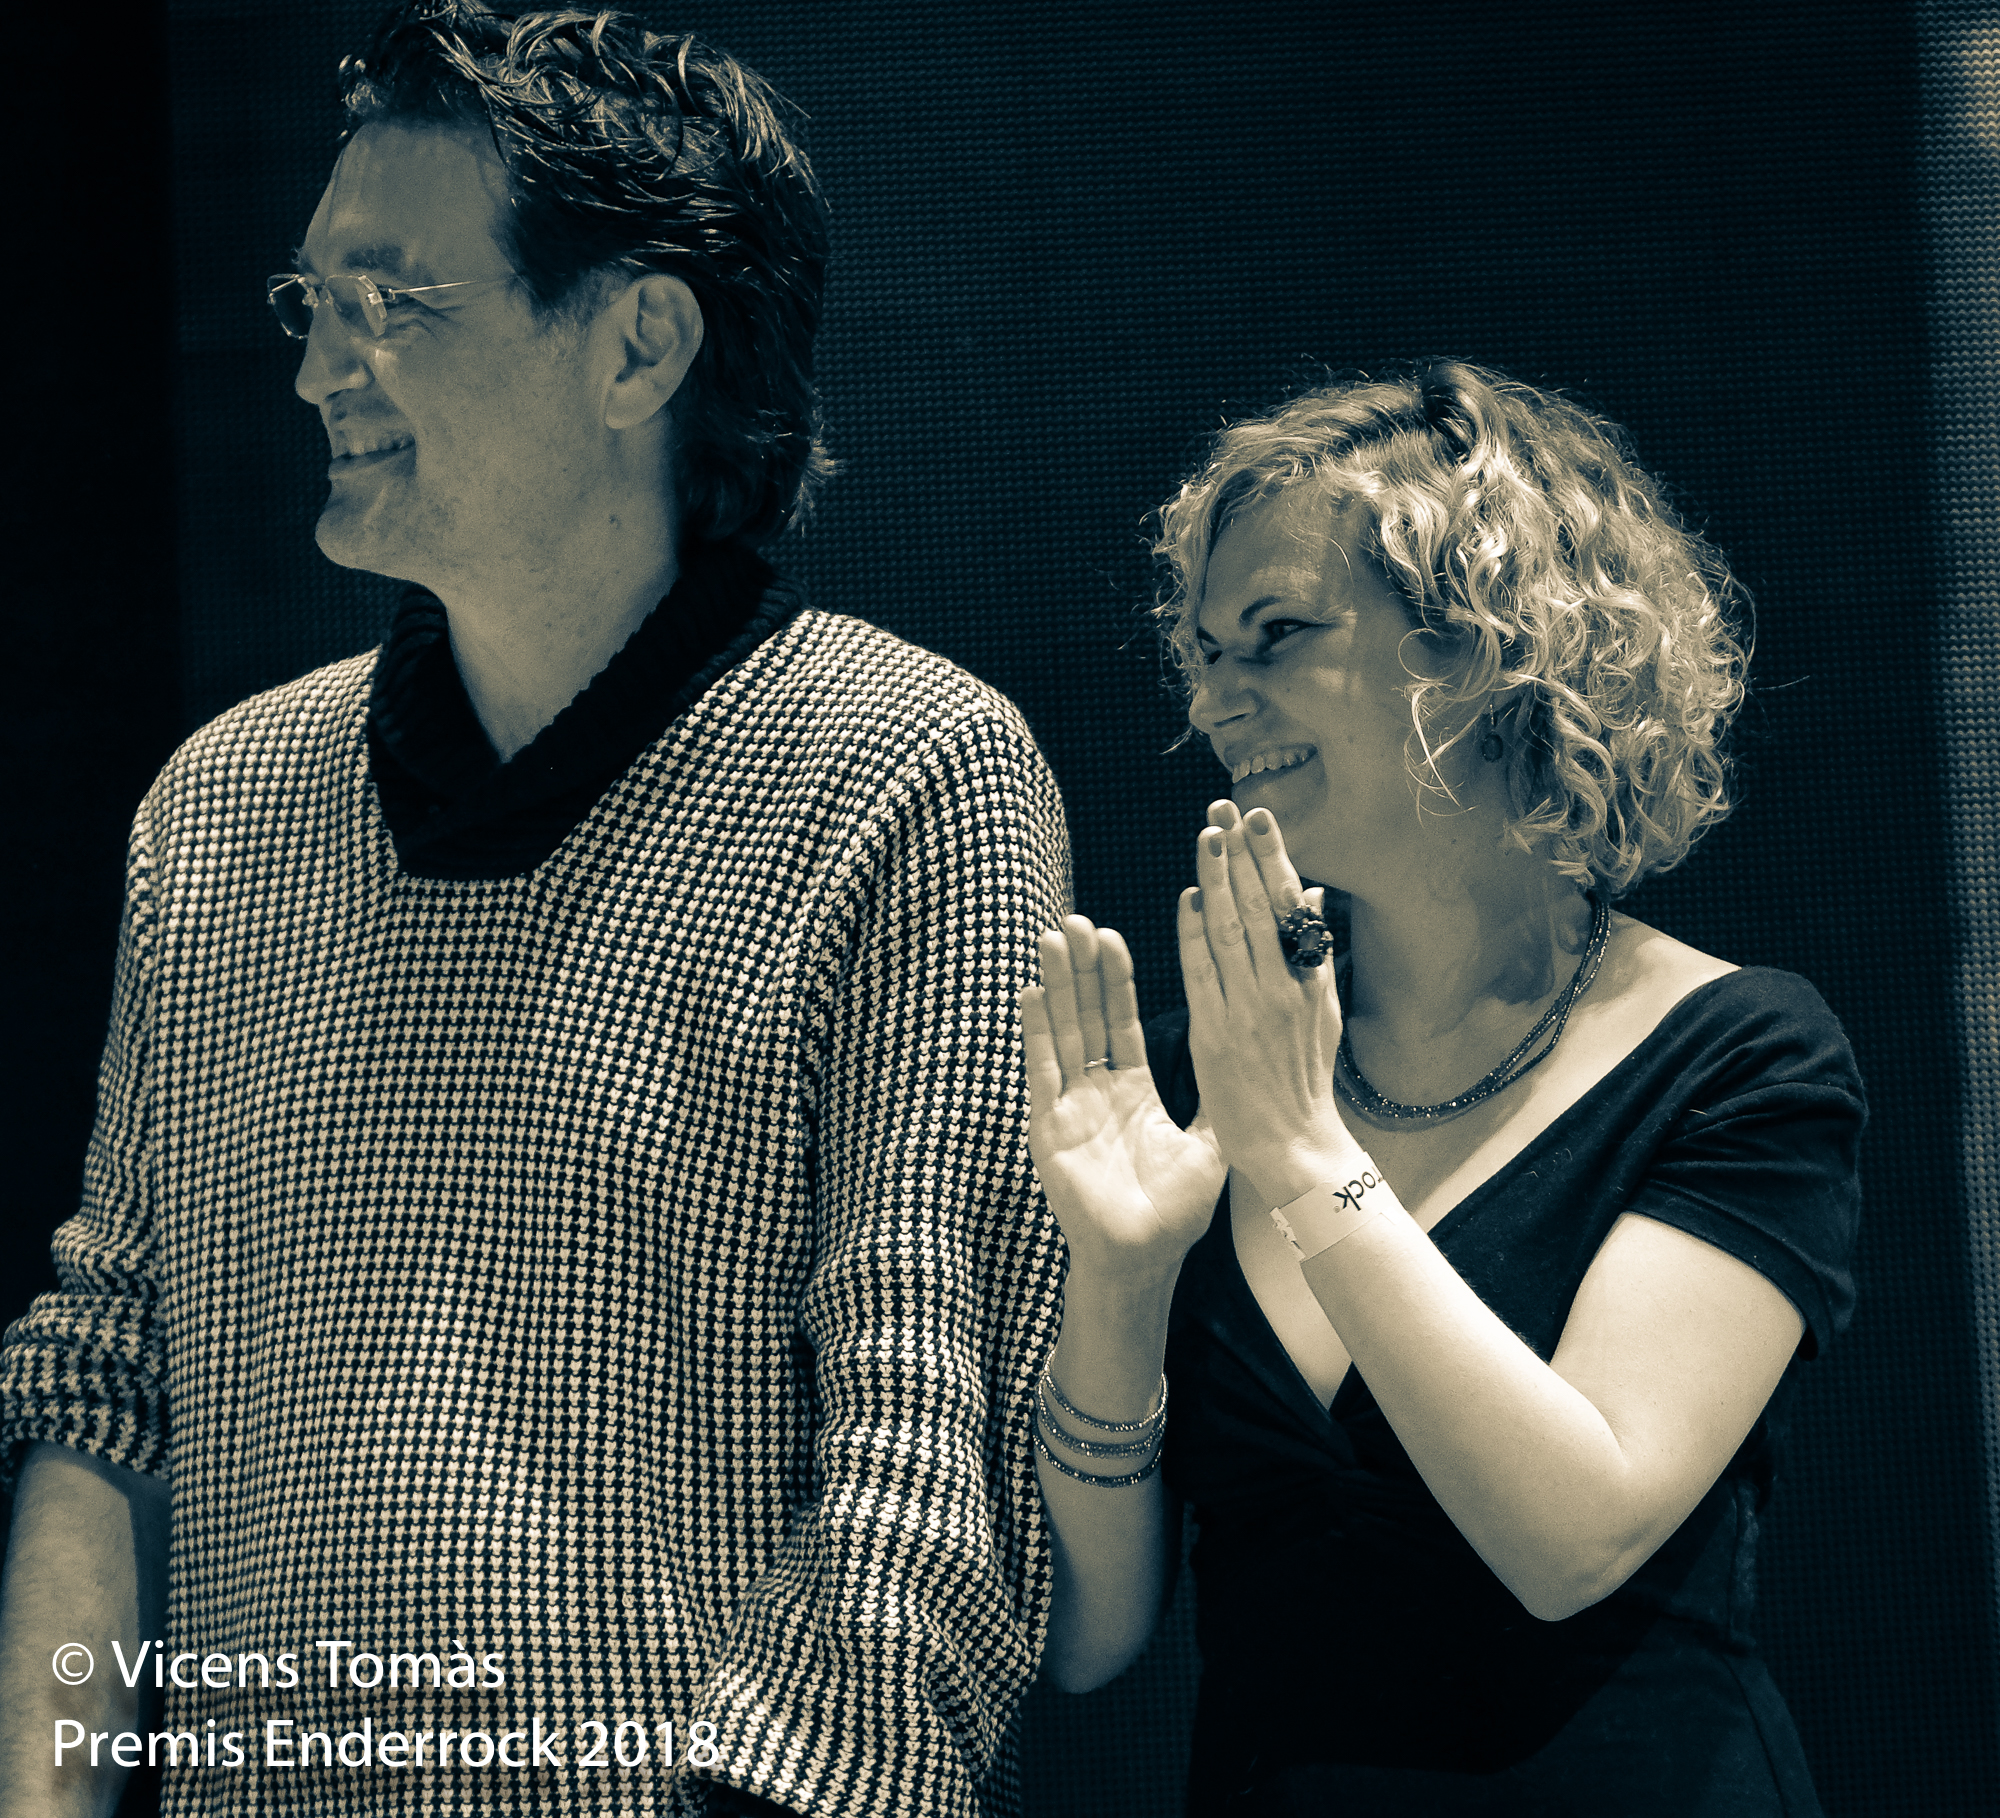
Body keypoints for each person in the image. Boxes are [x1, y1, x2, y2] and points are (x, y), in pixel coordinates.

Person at [0, 6, 1069, 1814]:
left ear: (639, 343)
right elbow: (108, 1388)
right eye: (307, 301)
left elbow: (923, 1456)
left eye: (390, 302)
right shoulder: (218, 803)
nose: (314, 370)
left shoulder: (907, 770)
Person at [1021, 363, 1864, 1815]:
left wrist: (1307, 1159)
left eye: (1277, 634)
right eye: (1204, 652)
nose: (1214, 700)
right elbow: (1091, 1642)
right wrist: (1118, 1275)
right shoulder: (1209, 1072)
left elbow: (1570, 1538)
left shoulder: (1742, 1054)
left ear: (1485, 642)